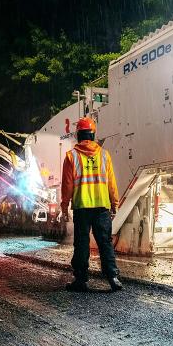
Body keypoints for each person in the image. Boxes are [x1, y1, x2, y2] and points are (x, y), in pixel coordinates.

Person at [60, 117, 122, 292]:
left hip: (82, 207)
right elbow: (111, 183)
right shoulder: (104, 155)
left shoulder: (71, 156)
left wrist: (64, 207)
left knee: (81, 243)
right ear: (93, 135)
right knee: (105, 242)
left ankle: (81, 280)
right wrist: (114, 203)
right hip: (102, 206)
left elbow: (67, 186)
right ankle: (113, 278)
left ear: (78, 135)